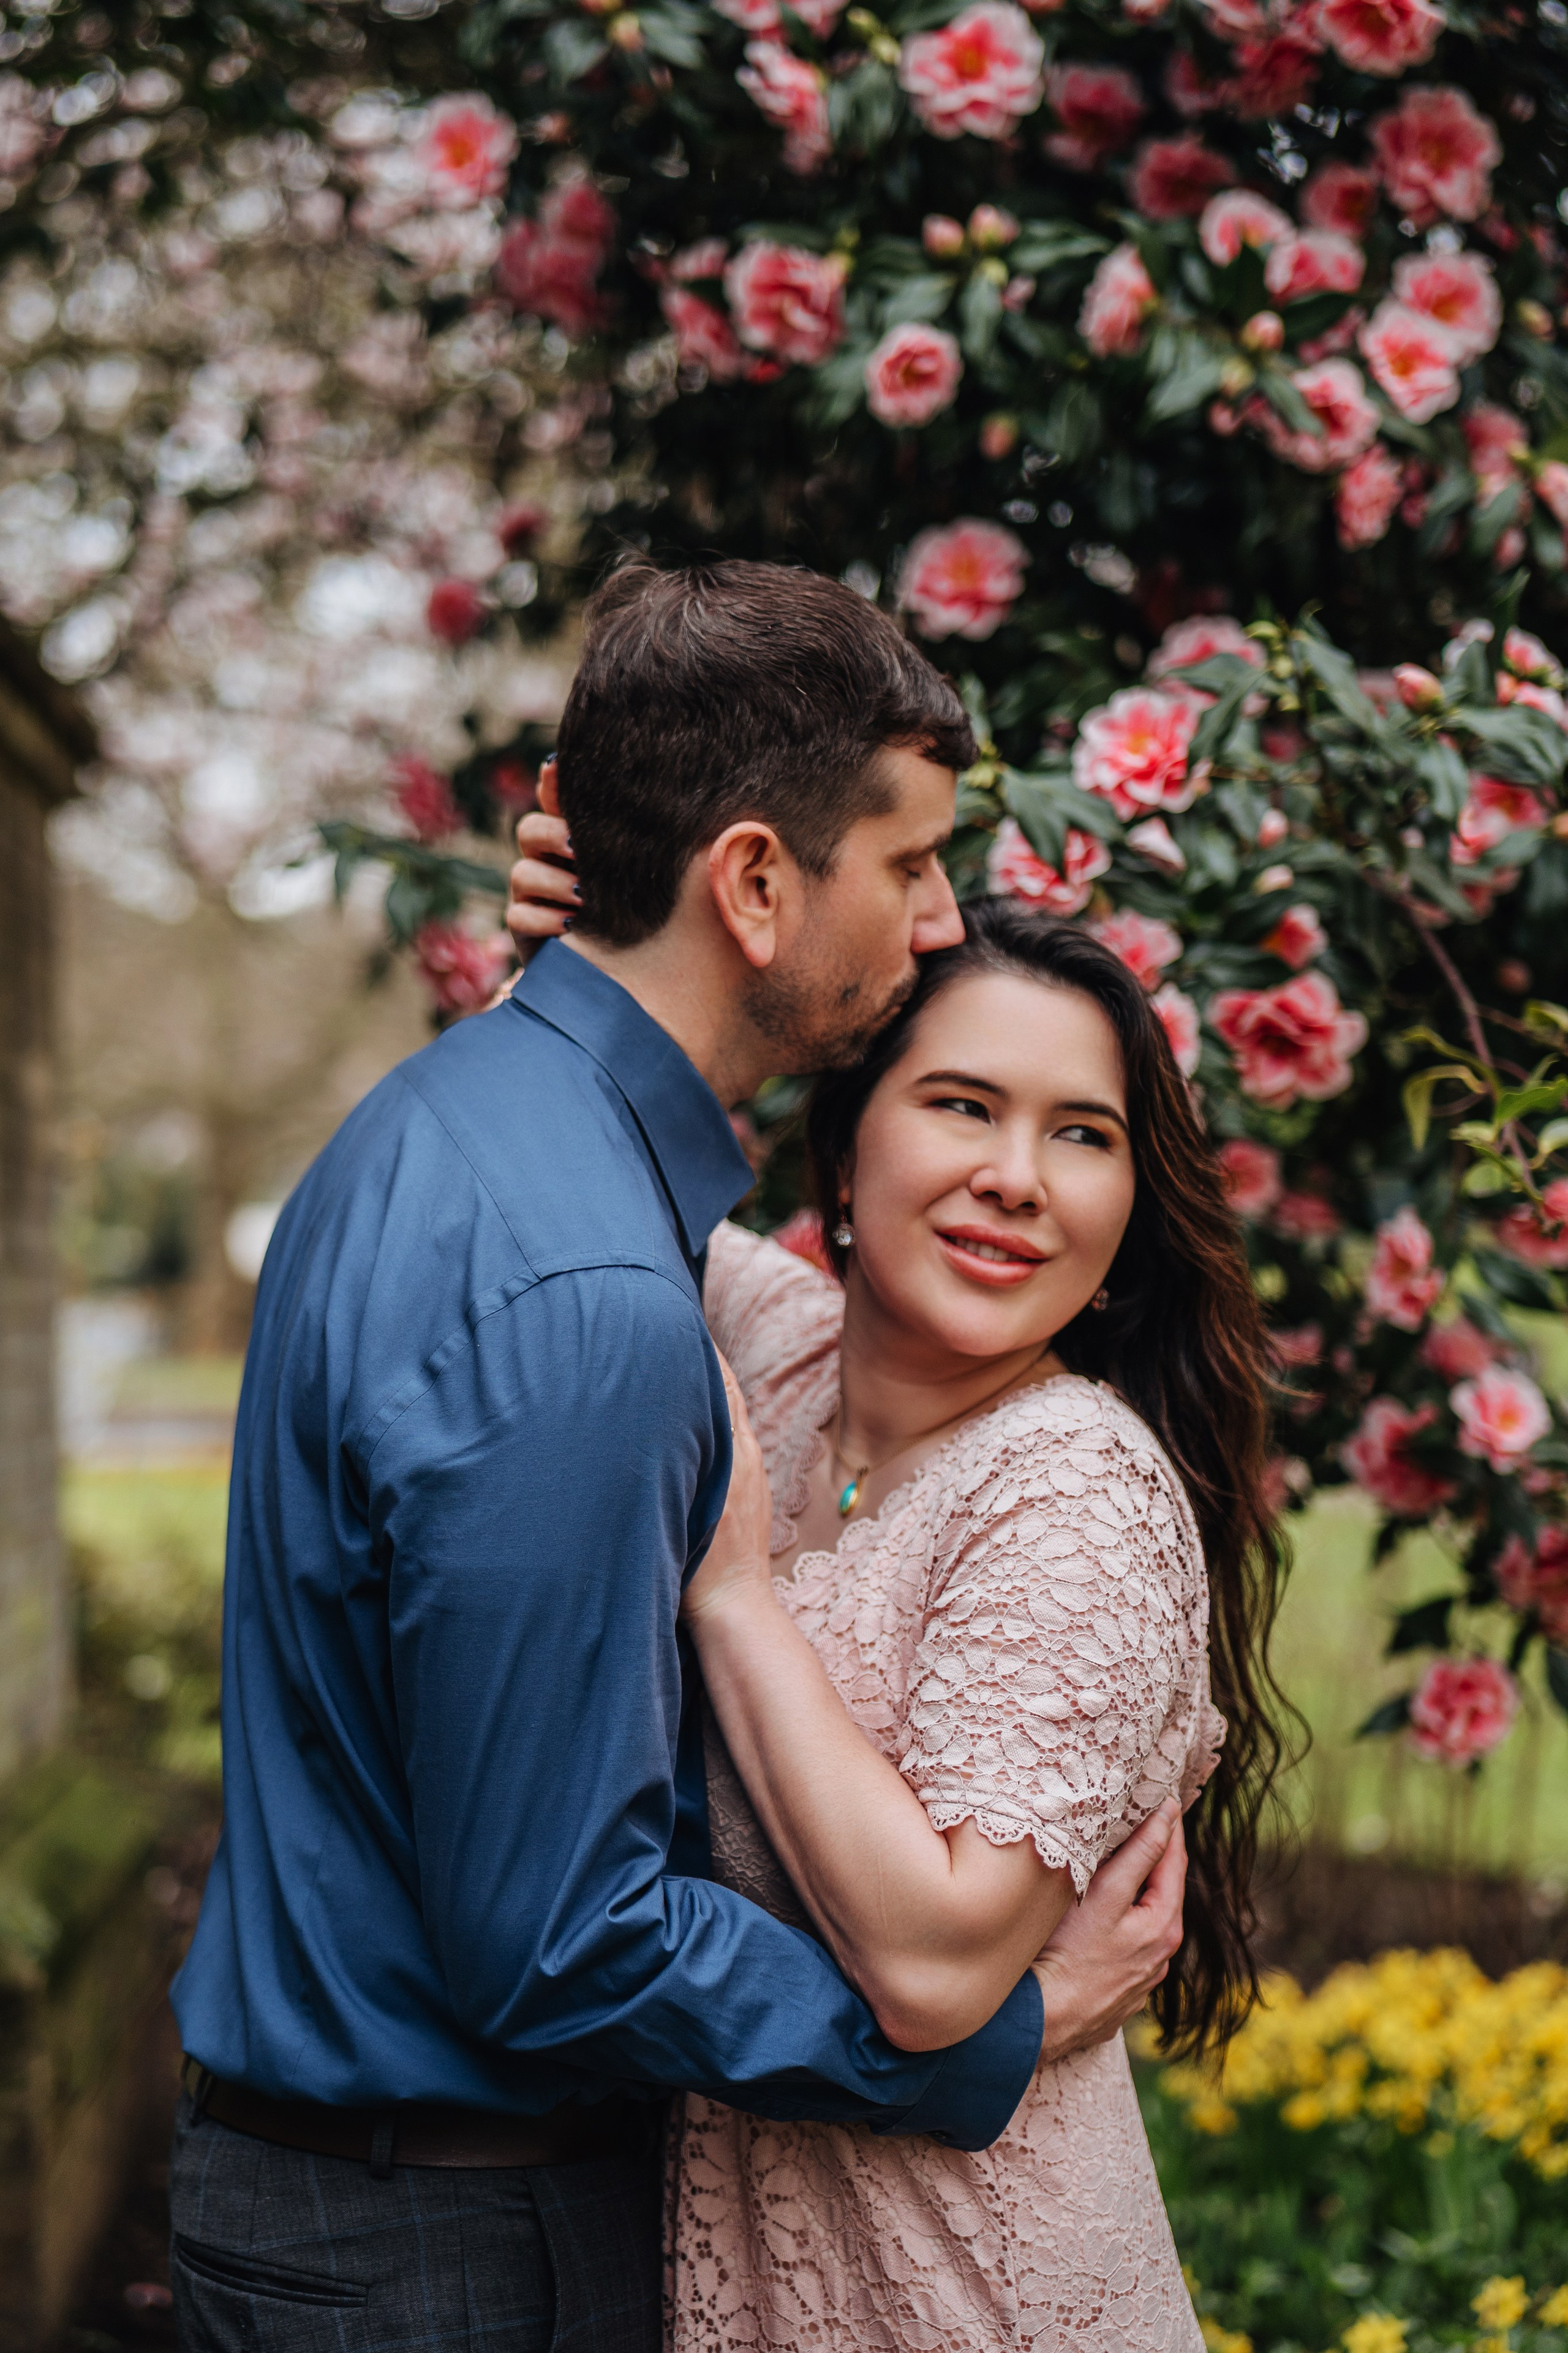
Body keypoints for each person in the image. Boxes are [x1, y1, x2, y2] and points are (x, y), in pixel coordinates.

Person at [166, 559, 1186, 2353]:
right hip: (446, 2251)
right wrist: (982, 2042)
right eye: (910, 862)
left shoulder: (446, 1128)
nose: (941, 918)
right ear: (758, 882)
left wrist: (571, 951)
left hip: (372, 2202)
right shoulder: (591, 1294)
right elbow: (560, 1941)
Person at [506, 868, 1289, 2347]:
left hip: (976, 2304)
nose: (1017, 1176)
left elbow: (934, 1970)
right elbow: (580, 1142)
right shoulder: (784, 1362)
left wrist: (733, 1596)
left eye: (1081, 1134)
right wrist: (579, 924)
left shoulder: (1072, 1492)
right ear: (844, 1148)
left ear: (1125, 1209)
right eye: (961, 1105)